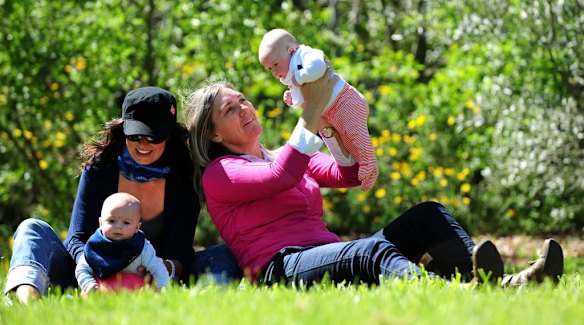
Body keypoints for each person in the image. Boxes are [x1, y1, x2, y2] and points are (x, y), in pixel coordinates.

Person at [182, 70, 564, 288]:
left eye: (243, 100)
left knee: (428, 214)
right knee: (368, 251)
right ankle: (453, 293)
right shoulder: (222, 174)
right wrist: (311, 112)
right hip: (282, 268)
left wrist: (333, 124)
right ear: (214, 134)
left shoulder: (282, 154)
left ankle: (499, 283)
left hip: (322, 253)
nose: (244, 109)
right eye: (230, 110)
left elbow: (346, 174)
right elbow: (284, 175)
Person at [4, 86, 241, 304]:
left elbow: (180, 251)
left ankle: (203, 305)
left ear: (169, 135)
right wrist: (93, 270)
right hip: (88, 276)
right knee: (31, 228)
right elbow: (76, 238)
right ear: (123, 129)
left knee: (225, 253)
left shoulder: (184, 177)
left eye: (153, 136)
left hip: (152, 279)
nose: (143, 144)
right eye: (135, 135)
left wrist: (164, 268)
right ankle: (28, 304)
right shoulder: (100, 169)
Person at [258, 28, 378, 191]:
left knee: (355, 135)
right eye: (269, 69)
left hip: (346, 101)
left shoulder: (304, 55)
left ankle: (369, 163)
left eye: (275, 65)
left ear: (291, 50)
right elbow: (305, 97)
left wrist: (298, 79)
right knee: (348, 143)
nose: (274, 72)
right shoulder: (291, 72)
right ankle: (364, 166)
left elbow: (318, 66)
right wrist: (292, 98)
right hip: (332, 112)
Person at [75, 193, 169, 295]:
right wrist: (89, 285)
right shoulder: (95, 246)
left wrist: (161, 288)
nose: (118, 226)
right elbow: (82, 269)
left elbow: (158, 269)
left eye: (126, 222)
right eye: (112, 221)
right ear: (101, 223)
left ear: (137, 227)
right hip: (100, 292)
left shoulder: (142, 247)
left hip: (134, 293)